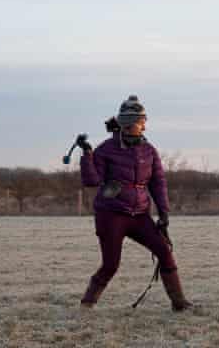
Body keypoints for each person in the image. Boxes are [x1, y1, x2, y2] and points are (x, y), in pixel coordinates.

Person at [78, 95, 192, 311]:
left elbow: (158, 182)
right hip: (111, 215)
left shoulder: (149, 150)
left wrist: (164, 212)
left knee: (165, 252)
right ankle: (87, 304)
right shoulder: (105, 149)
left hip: (140, 215)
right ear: (129, 124)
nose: (145, 125)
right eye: (142, 121)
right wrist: (87, 155)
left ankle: (179, 303)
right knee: (111, 265)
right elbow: (91, 181)